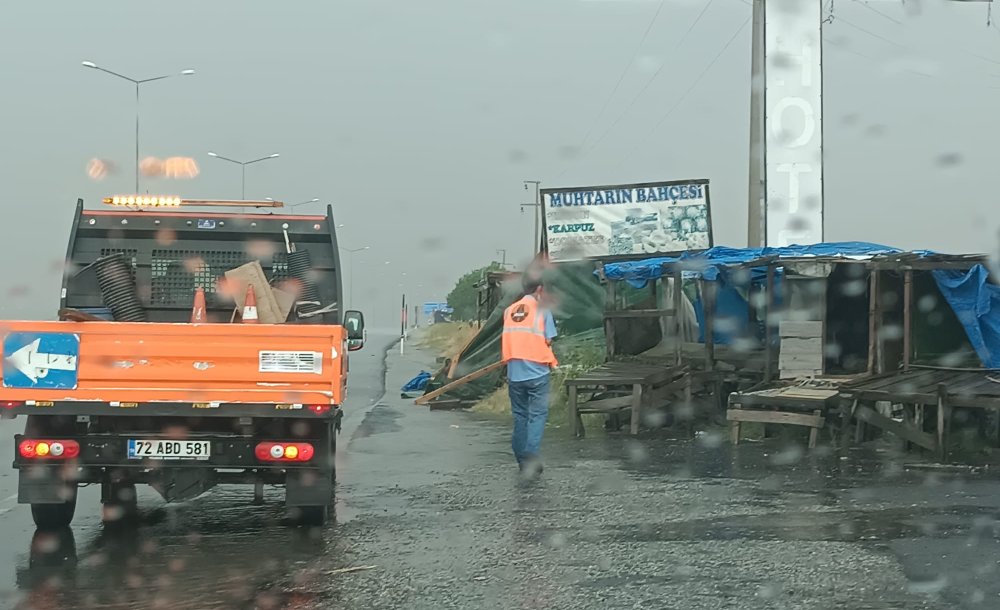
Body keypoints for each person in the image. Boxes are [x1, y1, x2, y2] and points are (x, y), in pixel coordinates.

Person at [501, 274, 557, 477]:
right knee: (537, 415)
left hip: (515, 373)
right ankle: (532, 455)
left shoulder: (509, 311)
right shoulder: (542, 310)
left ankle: (522, 460)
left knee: (520, 417)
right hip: (537, 372)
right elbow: (549, 340)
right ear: (540, 289)